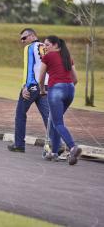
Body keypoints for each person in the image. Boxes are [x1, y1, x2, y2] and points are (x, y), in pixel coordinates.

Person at [39, 35, 81, 165]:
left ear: (56, 45)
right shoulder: (67, 56)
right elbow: (75, 79)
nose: (45, 47)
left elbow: (40, 78)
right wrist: (66, 88)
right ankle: (55, 153)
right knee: (53, 120)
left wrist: (42, 91)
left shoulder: (48, 57)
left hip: (56, 90)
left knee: (57, 122)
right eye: (44, 45)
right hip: (70, 90)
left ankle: (73, 147)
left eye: (47, 45)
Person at [8, 28, 49, 153]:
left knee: (20, 113)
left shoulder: (30, 47)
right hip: (46, 86)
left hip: (32, 86)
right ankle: (56, 145)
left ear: (32, 36)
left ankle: (19, 144)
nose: (22, 41)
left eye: (24, 38)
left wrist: (25, 86)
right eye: (21, 39)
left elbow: (28, 68)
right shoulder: (46, 47)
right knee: (48, 116)